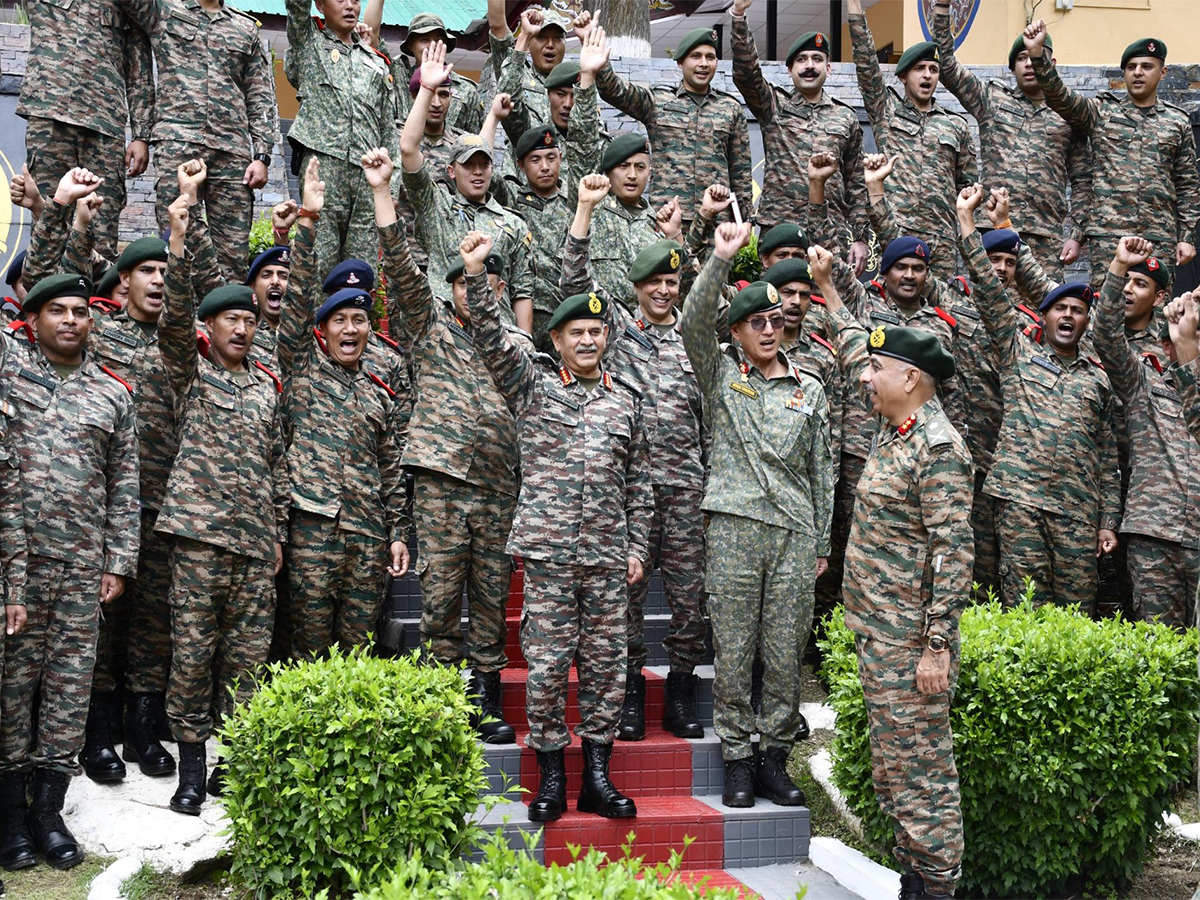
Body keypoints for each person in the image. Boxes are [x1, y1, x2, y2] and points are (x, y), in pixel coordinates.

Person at [468, 228, 652, 823]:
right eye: (577, 332)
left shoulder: (625, 401)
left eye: (597, 331)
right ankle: (549, 777)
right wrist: (475, 277)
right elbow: (492, 341)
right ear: (556, 338)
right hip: (548, 558)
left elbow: (639, 486)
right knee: (546, 670)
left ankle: (596, 778)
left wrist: (638, 548)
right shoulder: (534, 388)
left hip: (605, 559)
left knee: (604, 669)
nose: (589, 339)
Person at [810, 241, 972, 900]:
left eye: (878, 369)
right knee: (893, 772)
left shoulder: (937, 449)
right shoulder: (894, 427)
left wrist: (936, 645)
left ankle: (938, 886)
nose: (864, 377)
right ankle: (914, 875)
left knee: (923, 774)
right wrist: (826, 282)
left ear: (911, 377)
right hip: (882, 634)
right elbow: (852, 341)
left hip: (912, 644)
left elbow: (951, 550)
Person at [680, 220, 831, 810]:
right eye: (755, 323)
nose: (769, 329)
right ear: (737, 330)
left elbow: (824, 470)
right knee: (736, 648)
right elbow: (693, 318)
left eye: (775, 321)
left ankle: (774, 758)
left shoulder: (809, 387)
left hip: (793, 535)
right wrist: (720, 258)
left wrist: (820, 540)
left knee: (785, 649)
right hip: (735, 530)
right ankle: (737, 760)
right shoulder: (720, 373)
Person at [0, 272, 140, 872]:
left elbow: (124, 484)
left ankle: (48, 812)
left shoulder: (113, 394)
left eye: (80, 311)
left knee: (67, 692)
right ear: (33, 320)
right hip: (18, 568)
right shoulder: (9, 377)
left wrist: (118, 562)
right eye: (55, 310)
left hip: (83, 569)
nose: (70, 321)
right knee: (12, 691)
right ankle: (9, 815)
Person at [561, 176, 709, 741]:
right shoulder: (619, 330)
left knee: (690, 598)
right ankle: (625, 693)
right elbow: (574, 279)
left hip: (686, 486)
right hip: (630, 489)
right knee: (624, 595)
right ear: (638, 287)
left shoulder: (698, 338)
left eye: (672, 281)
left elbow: (713, 419)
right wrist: (584, 209)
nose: (664, 291)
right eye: (653, 282)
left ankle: (680, 688)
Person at [157, 188, 289, 816]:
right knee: (192, 656)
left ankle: (233, 765)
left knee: (248, 663)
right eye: (230, 320)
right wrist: (179, 245)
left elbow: (279, 465)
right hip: (200, 540)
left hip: (256, 548)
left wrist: (280, 536)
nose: (242, 327)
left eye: (249, 321)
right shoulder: (191, 371)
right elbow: (172, 317)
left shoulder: (267, 388)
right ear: (210, 327)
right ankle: (190, 768)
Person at [390, 171, 527, 746]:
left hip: (498, 490)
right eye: (468, 286)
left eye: (489, 285)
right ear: (453, 290)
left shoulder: (517, 348)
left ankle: (487, 703)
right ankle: (445, 705)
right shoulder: (430, 330)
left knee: (492, 600)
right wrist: (380, 191)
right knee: (442, 599)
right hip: (443, 486)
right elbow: (400, 269)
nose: (478, 294)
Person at [957, 183, 1120, 611]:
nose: (1068, 315)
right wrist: (967, 223)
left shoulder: (1099, 380)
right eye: (1060, 309)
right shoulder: (1017, 352)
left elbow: (1107, 458)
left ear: (1087, 321)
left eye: (1077, 310)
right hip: (1020, 502)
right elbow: (990, 292)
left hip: (1077, 514)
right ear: (1042, 315)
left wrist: (1107, 522)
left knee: (1075, 614)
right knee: (1023, 611)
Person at [273, 154, 409, 661]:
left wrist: (397, 534)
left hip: (366, 535)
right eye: (340, 321)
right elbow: (295, 302)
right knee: (307, 652)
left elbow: (392, 466)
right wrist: (307, 223)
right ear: (323, 329)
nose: (350, 329)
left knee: (358, 653)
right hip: (311, 532)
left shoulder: (378, 386)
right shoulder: (301, 365)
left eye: (359, 320)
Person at [1024, 22, 1200, 289]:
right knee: (1106, 312)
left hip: (1159, 237)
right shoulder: (1101, 112)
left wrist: (1186, 236)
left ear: (1162, 72)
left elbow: (1188, 185)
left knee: (1155, 313)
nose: (1138, 73)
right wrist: (1038, 56)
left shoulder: (1177, 122)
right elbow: (1060, 98)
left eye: (1146, 66)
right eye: (1131, 68)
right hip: (1109, 237)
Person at [930, 2, 1090, 280]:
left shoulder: (1068, 113)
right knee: (989, 308)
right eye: (1021, 59)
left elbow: (1083, 180)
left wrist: (1076, 235)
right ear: (1012, 67)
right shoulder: (991, 99)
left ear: (1050, 64)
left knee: (1042, 313)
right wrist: (943, 11)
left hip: (1044, 235)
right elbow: (947, 68)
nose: (1029, 64)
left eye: (1036, 57)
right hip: (992, 232)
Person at [123, 0, 280, 283]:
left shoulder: (245, 28)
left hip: (232, 153)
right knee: (178, 236)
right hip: (178, 145)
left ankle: (227, 317)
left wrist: (262, 155)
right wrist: (141, 134)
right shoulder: (164, 10)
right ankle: (182, 320)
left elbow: (259, 95)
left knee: (232, 250)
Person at [1093, 237, 1200, 629]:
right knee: (1158, 656)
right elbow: (1105, 336)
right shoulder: (1142, 380)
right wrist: (1119, 266)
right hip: (1153, 536)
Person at [400, 42, 535, 334]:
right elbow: (409, 149)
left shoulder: (512, 224)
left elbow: (522, 292)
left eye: (483, 165)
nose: (477, 172)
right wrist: (426, 89)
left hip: (498, 337)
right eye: (468, 165)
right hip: (447, 334)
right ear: (451, 171)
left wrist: (524, 344)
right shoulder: (437, 207)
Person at [730, 0, 868, 271]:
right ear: (790, 70)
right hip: (780, 230)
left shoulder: (846, 117)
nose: (809, 66)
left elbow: (857, 183)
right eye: (802, 60)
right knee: (778, 307)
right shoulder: (773, 106)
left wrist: (861, 238)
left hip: (830, 231)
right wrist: (738, 17)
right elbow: (747, 75)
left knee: (830, 303)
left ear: (829, 69)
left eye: (817, 59)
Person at [846, 0, 976, 280]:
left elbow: (966, 187)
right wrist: (854, 8)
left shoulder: (956, 125)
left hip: (940, 242)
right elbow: (866, 62)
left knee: (939, 316)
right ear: (904, 75)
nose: (927, 75)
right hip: (895, 233)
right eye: (920, 69)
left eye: (933, 69)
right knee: (893, 310)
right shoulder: (886, 110)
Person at [20, 0, 153, 262]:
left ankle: (98, 302)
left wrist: (141, 135)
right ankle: (45, 299)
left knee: (102, 228)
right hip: (49, 119)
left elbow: (140, 72)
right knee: (46, 219)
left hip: (104, 127)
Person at [593, 26, 753, 228]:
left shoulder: (730, 108)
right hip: (668, 219)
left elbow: (741, 172)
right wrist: (600, 61)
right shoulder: (658, 101)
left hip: (717, 222)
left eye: (710, 57)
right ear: (680, 62)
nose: (703, 64)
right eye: (696, 56)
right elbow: (615, 91)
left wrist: (745, 220)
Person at [284, 0, 398, 278]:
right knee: (318, 263)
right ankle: (312, 322)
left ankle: (356, 321)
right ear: (321, 5)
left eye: (355, 0)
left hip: (367, 175)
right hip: (323, 169)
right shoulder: (308, 41)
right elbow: (296, 7)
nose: (350, 6)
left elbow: (388, 130)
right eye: (340, 0)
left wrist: (391, 187)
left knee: (362, 269)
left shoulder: (376, 61)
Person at [363, 8, 484, 134]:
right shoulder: (398, 79)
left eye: (438, 40)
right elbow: (371, 37)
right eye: (424, 40)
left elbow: (475, 144)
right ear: (411, 45)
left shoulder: (466, 90)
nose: (432, 45)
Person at [485, 1, 580, 130]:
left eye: (557, 38)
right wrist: (525, 34)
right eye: (541, 37)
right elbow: (497, 25)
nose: (550, 45)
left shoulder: (578, 84)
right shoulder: (515, 73)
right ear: (529, 44)